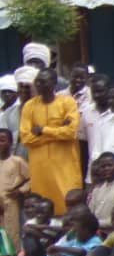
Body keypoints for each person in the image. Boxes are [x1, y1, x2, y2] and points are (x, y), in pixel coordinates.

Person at [20, 68, 81, 216]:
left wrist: (44, 130)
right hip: (40, 170)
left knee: (68, 209)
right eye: (37, 82)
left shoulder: (68, 102)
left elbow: (71, 132)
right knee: (42, 210)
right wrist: (58, 129)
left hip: (65, 167)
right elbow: (26, 138)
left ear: (54, 83)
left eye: (43, 81)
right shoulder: (29, 106)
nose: (39, 85)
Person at [0, 129, 29, 254]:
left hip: (10, 203)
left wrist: (20, 191)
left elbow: (31, 180)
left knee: (12, 233)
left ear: (11, 143)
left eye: (2, 140)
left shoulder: (17, 161)